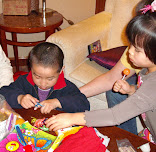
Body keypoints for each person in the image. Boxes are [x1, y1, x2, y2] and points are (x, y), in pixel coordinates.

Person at [45, 0, 156, 142]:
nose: (130, 52)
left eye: (137, 49)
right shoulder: (149, 68)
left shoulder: (153, 85)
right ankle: (131, 139)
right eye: (131, 45)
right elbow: (145, 95)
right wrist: (131, 90)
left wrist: (73, 118)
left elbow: (115, 115)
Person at [0, 42, 90, 114]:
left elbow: (84, 104)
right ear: (31, 68)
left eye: (50, 79)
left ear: (61, 70)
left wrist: (57, 102)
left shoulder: (66, 87)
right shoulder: (24, 81)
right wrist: (20, 98)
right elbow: (3, 93)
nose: (43, 84)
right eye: (37, 76)